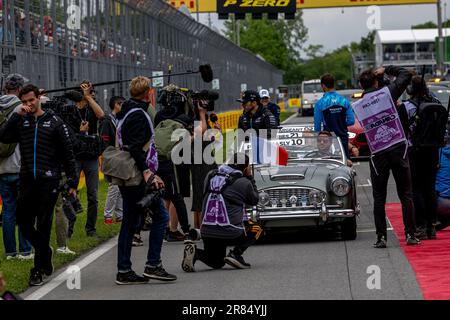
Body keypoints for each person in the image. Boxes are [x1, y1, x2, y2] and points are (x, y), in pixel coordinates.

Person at [0, 84, 77, 286]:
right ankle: (45, 250)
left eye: (31, 100)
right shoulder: (21, 121)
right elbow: (3, 136)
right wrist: (16, 115)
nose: (28, 104)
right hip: (26, 181)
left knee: (43, 224)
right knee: (23, 222)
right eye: (24, 101)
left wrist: (72, 180)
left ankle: (37, 270)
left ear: (38, 99)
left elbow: (67, 153)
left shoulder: (54, 122)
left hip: (49, 182)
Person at [115, 76, 176, 285]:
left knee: (130, 222)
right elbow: (135, 147)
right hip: (137, 175)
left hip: (128, 174)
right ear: (148, 93)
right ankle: (153, 265)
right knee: (160, 217)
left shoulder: (124, 111)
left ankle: (124, 269)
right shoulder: (139, 115)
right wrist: (148, 173)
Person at [356, 66, 419, 248]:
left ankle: (381, 237)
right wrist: (386, 70)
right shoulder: (387, 93)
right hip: (398, 147)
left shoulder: (360, 103)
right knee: (406, 195)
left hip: (378, 153)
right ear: (376, 81)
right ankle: (410, 234)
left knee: (379, 198)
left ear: (361, 86)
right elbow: (405, 74)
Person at [181, 153, 259, 272]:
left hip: (207, 230)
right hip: (230, 232)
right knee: (256, 228)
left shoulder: (211, 174)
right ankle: (236, 254)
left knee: (217, 262)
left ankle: (196, 253)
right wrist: (250, 177)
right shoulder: (244, 182)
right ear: (245, 167)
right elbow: (254, 200)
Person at [399, 75, 442, 240]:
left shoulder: (406, 107)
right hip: (433, 151)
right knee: (430, 188)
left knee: (416, 188)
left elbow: (402, 132)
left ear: (410, 90)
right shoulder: (436, 104)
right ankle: (432, 225)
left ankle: (421, 224)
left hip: (414, 150)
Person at [66, 80, 105, 237]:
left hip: (91, 157)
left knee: (93, 196)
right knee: (70, 193)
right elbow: (68, 136)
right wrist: (81, 133)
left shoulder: (92, 109)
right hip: (75, 157)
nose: (91, 94)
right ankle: (69, 228)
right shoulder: (69, 111)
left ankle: (90, 229)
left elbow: (101, 115)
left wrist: (89, 98)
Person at [0, 74, 32, 260]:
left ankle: (11, 252)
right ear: (20, 90)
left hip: (2, 168)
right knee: (25, 210)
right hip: (20, 166)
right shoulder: (20, 108)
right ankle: (25, 251)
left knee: (8, 211)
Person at [314, 73, 355, 159]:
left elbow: (317, 127)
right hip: (342, 139)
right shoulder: (344, 101)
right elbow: (351, 121)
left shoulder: (320, 103)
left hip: (327, 140)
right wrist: (340, 123)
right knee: (345, 164)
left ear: (323, 86)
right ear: (333, 84)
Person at [100, 96, 125, 225]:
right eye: (122, 104)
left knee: (120, 186)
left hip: (121, 156)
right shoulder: (107, 121)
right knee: (113, 187)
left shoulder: (121, 119)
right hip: (111, 157)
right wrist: (108, 156)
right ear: (116, 105)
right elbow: (104, 141)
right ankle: (108, 215)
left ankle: (120, 214)